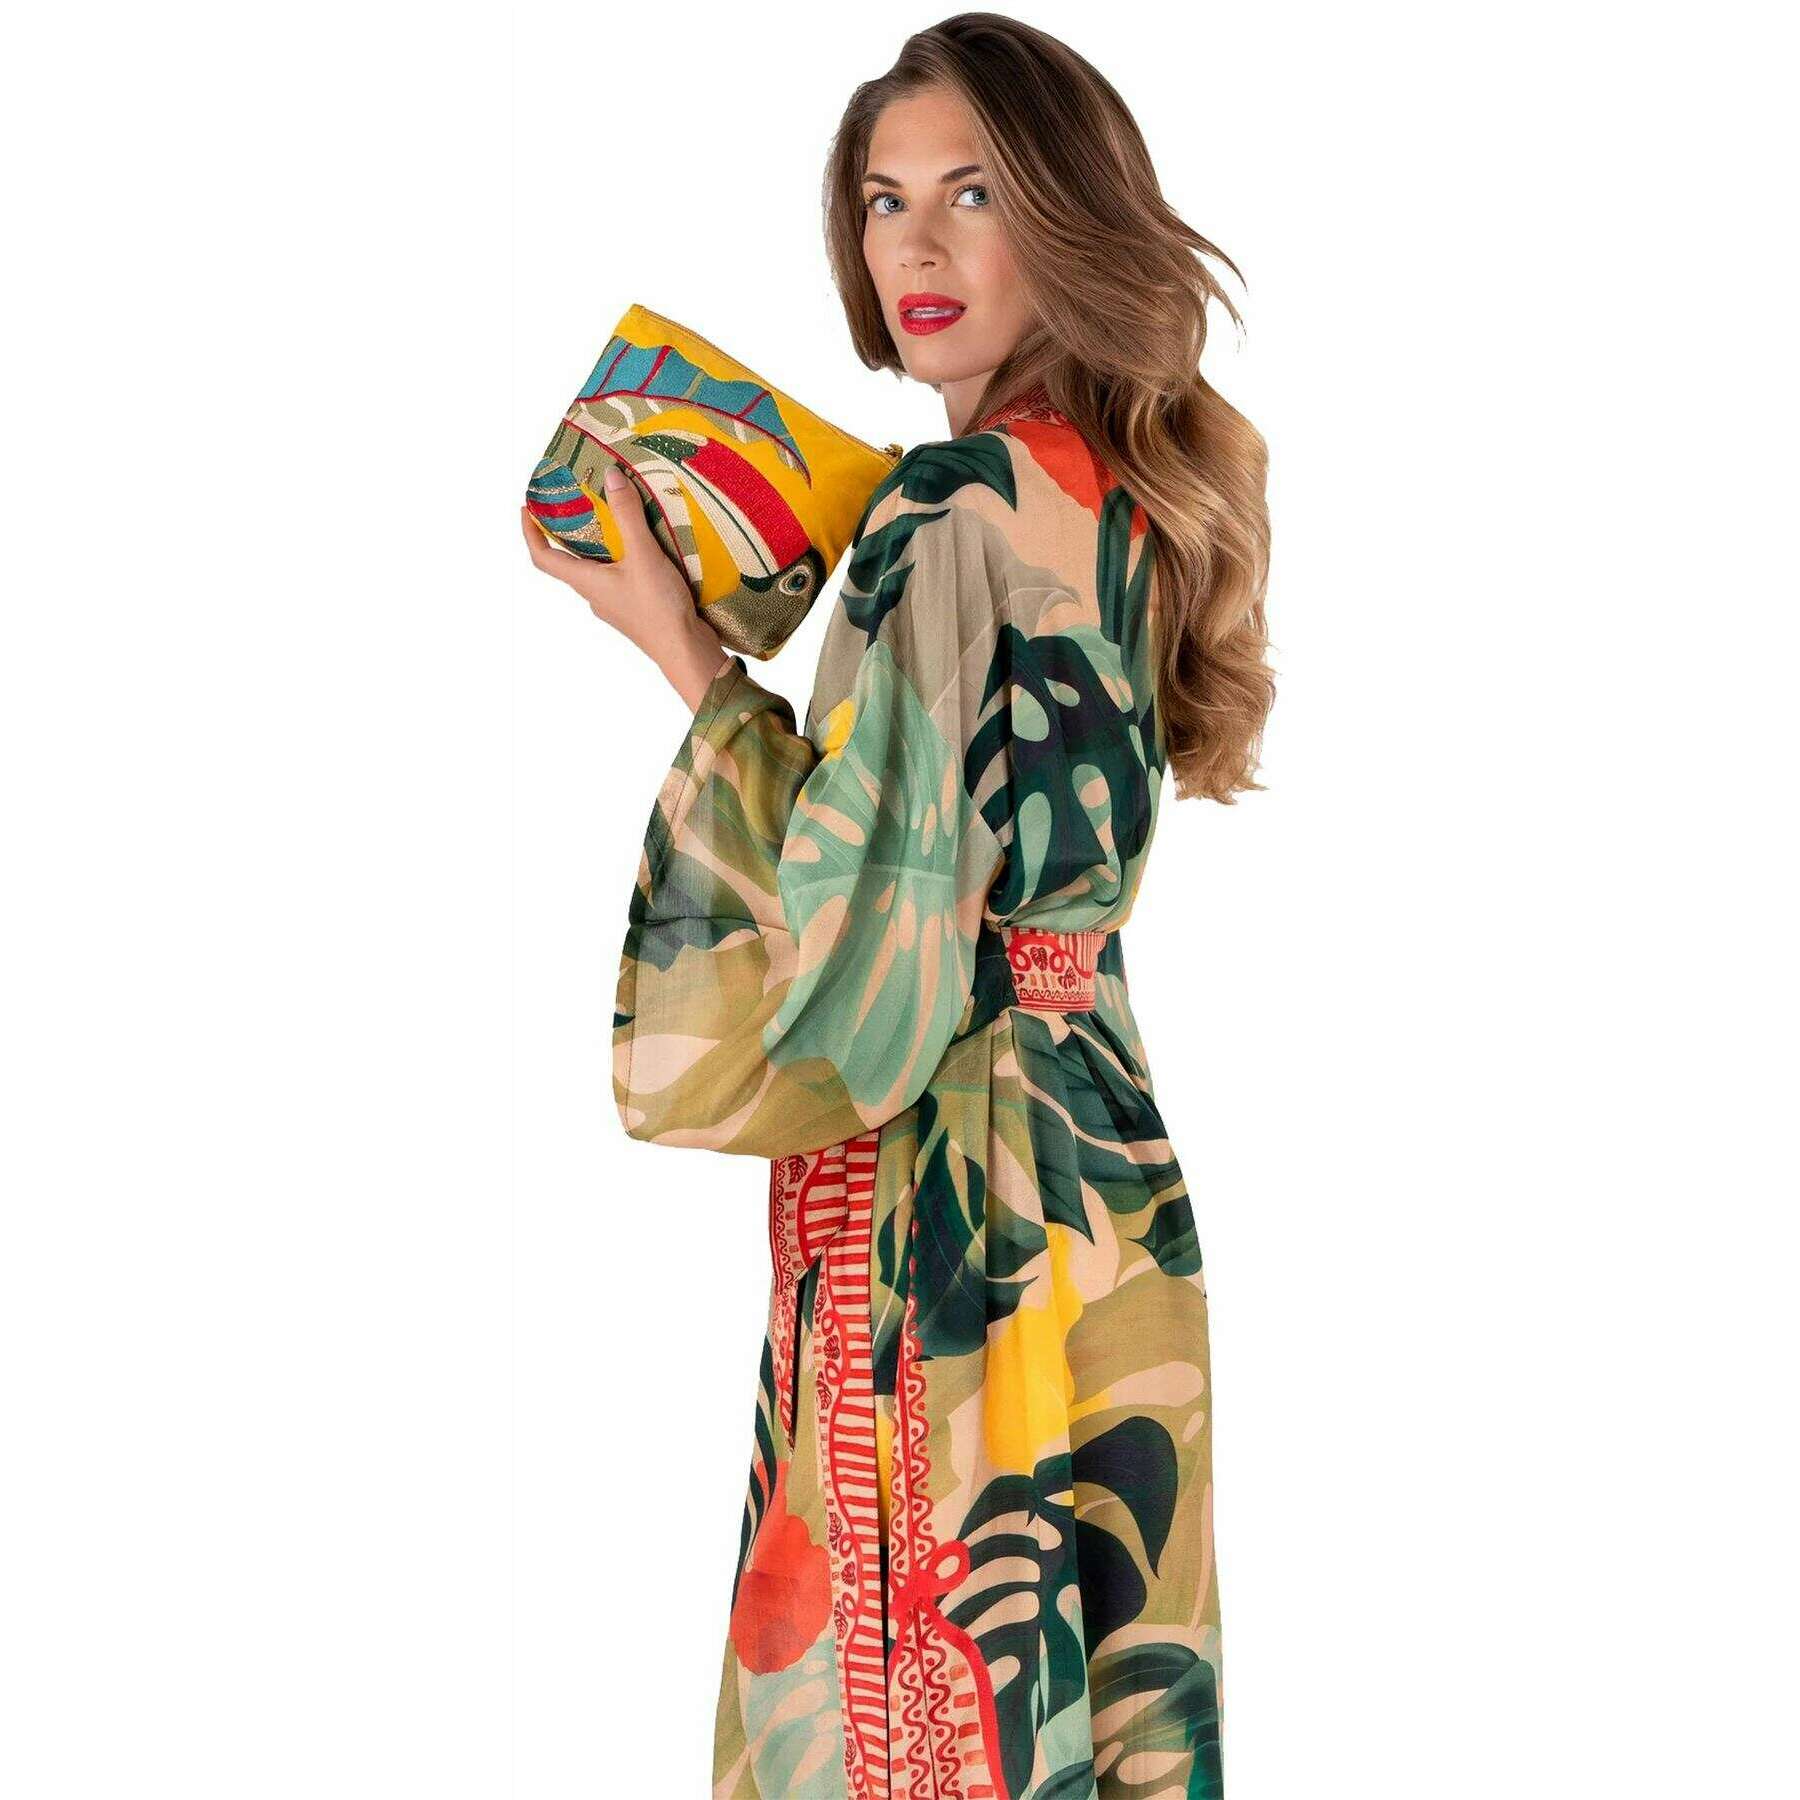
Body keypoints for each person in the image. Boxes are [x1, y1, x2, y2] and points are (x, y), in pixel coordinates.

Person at [520, 15, 1272, 1796]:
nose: (915, 247)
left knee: (912, 1704)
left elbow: (863, 961)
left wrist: (687, 653)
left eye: (974, 195)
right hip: (1101, 1169)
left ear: (1069, 218)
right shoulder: (1125, 497)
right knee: (1079, 1668)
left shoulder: (945, 510)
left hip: (952, 1185)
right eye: (882, 199)